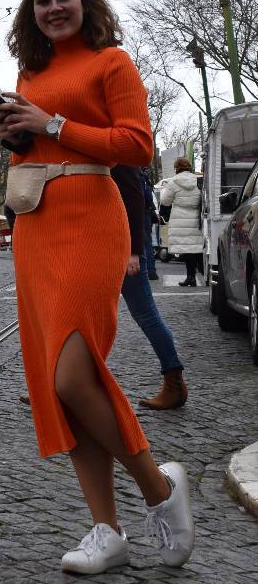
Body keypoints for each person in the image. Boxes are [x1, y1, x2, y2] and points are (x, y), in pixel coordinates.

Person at [0, 0, 194, 574]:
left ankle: (159, 489)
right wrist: (18, 130)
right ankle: (105, 528)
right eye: (43, 1)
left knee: (72, 378)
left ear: (85, 2)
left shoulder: (113, 63)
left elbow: (136, 146)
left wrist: (51, 122)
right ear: (32, 14)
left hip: (91, 218)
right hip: (36, 225)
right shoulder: (33, 70)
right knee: (62, 382)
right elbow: (45, 142)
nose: (54, 8)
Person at [112, 165, 188, 410]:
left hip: (121, 249)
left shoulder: (118, 156)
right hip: (104, 246)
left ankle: (174, 383)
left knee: (145, 314)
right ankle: (59, 383)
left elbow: (134, 202)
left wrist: (133, 251)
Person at [160, 158, 204, 288]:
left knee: (186, 249)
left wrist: (164, 190)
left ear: (176, 168)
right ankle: (201, 274)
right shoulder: (198, 180)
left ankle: (190, 277)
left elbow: (165, 202)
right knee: (197, 247)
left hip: (180, 217)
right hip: (196, 217)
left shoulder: (173, 182)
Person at [140, 169, 159, 281]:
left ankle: (146, 270)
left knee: (143, 242)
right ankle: (151, 271)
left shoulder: (138, 176)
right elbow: (149, 196)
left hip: (139, 212)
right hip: (147, 213)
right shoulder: (144, 177)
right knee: (148, 242)